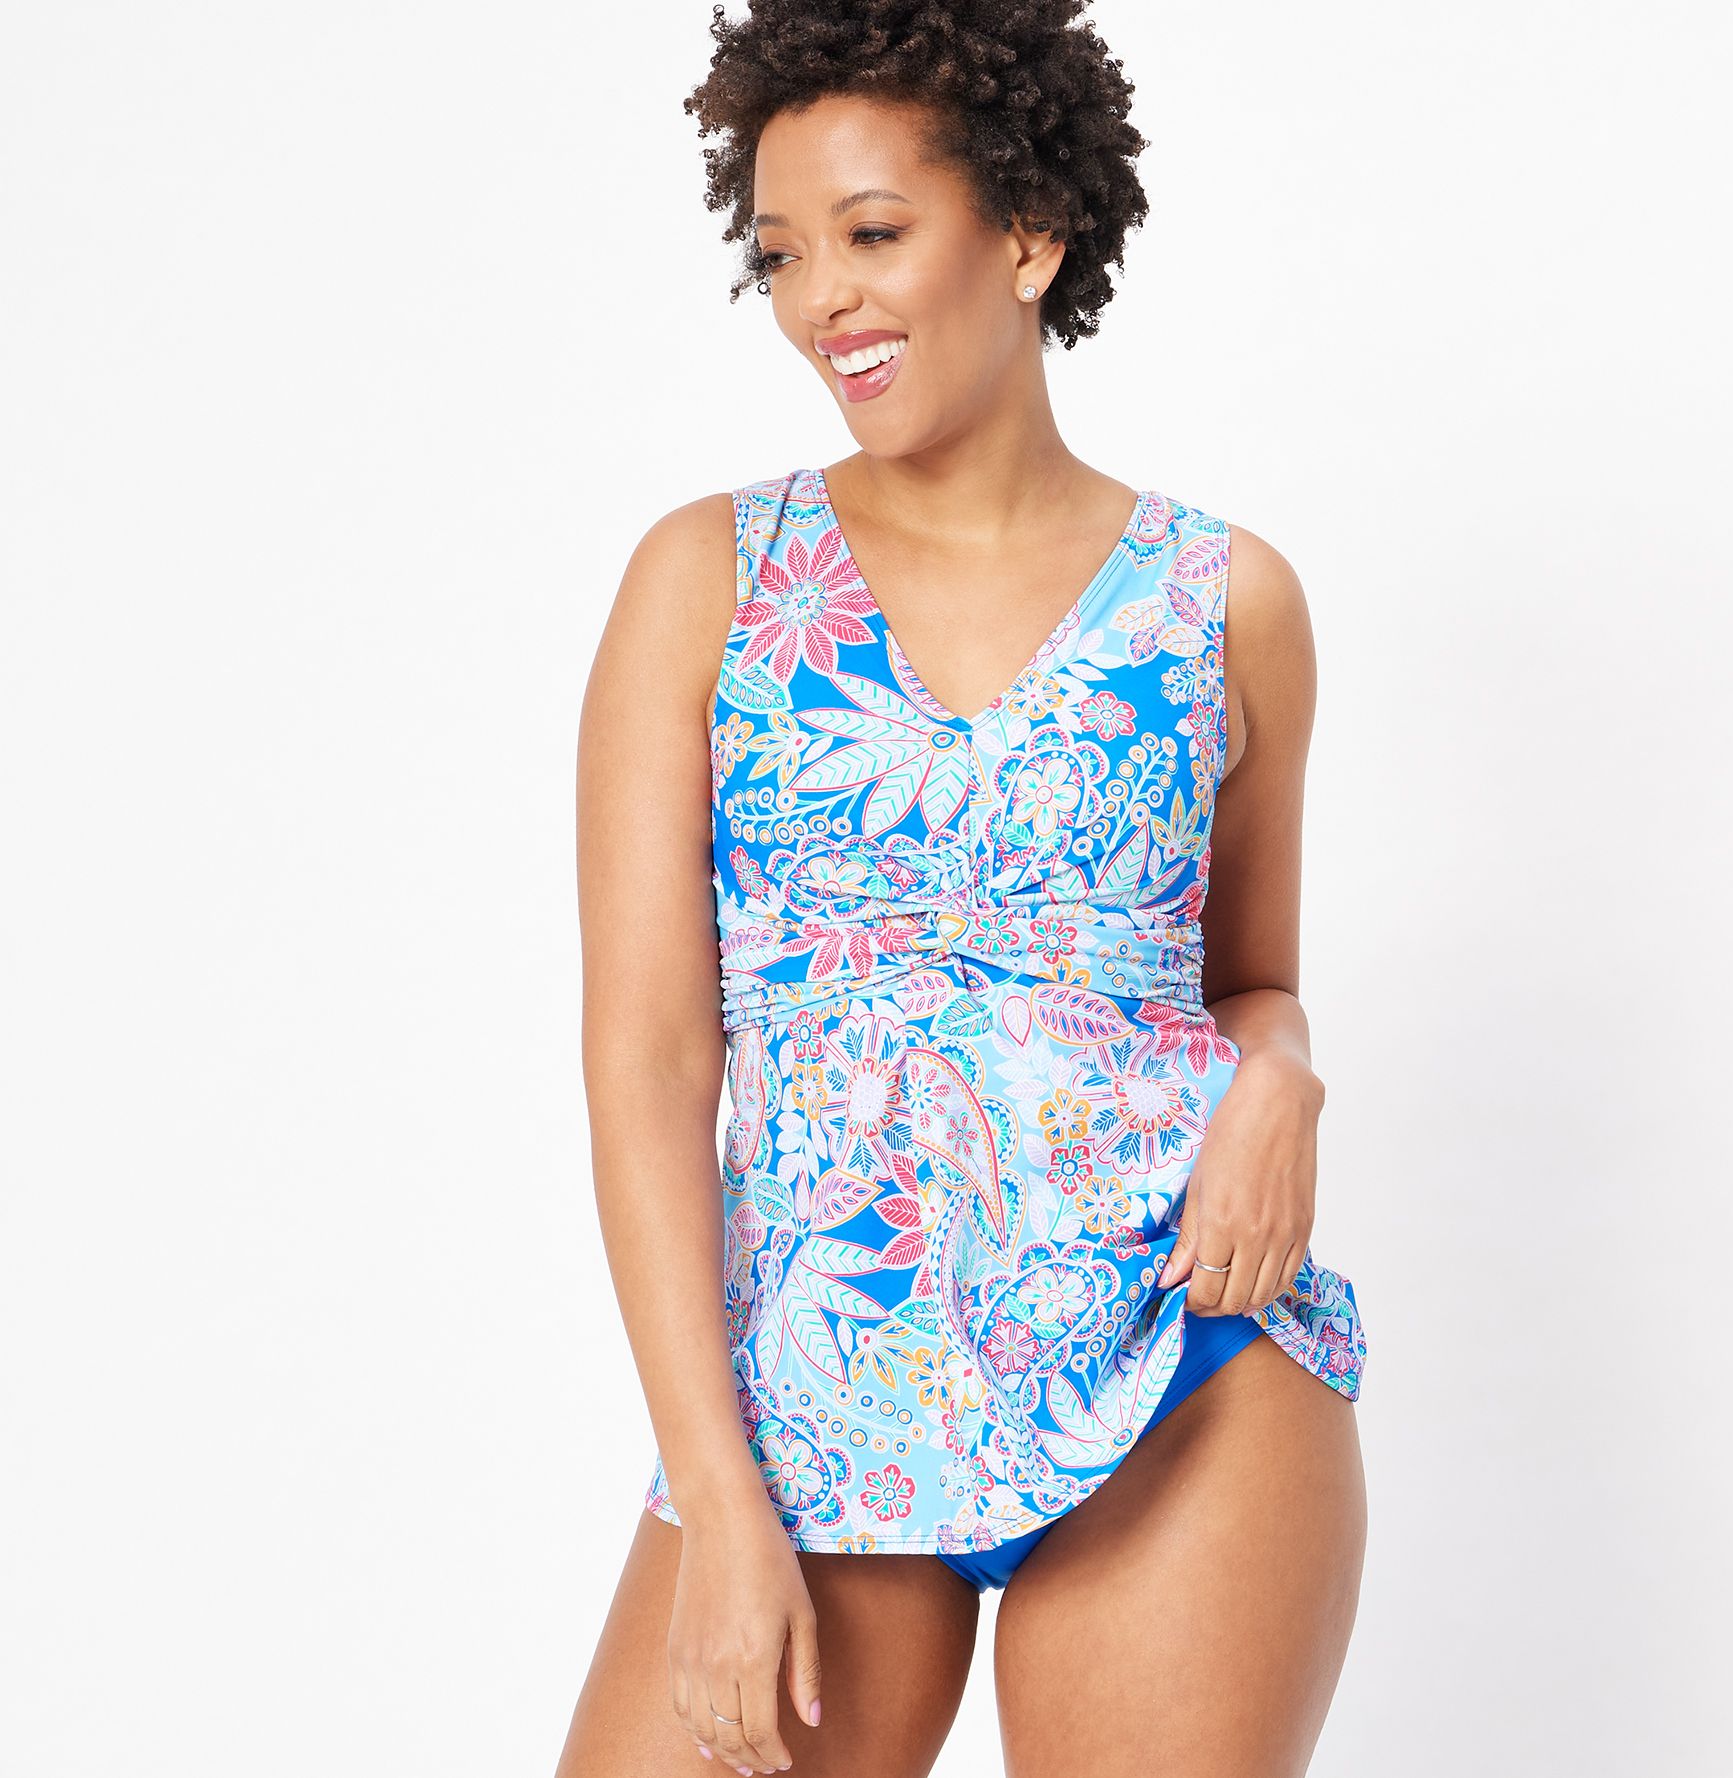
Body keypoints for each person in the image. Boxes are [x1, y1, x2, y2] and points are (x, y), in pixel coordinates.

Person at [558, 5, 1367, 1775]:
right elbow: (651, 1066)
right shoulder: (709, 579)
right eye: (782, 254)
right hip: (818, 1390)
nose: (822, 301)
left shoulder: (1229, 601)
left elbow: (1250, 981)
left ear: (1028, 231)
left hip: (1178, 1354)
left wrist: (1285, 1075)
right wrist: (717, 1496)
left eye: (871, 232)